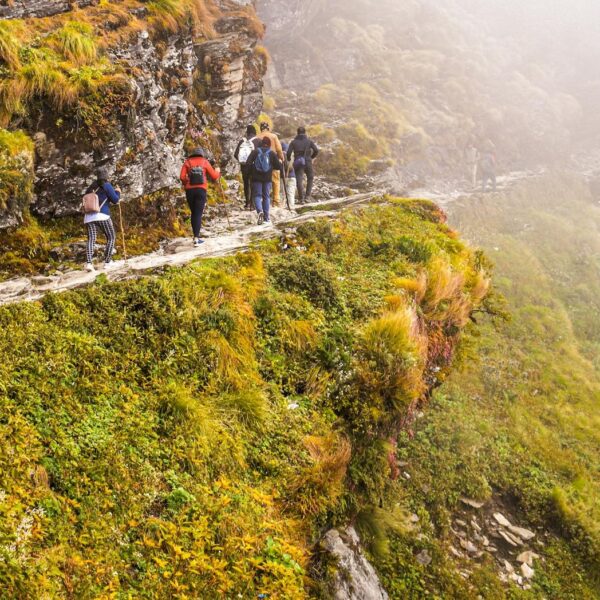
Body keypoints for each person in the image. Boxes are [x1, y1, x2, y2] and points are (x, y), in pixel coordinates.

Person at [180, 147, 221, 247]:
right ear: (201, 154)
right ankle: (196, 238)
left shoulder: (187, 162)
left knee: (194, 213)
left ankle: (195, 237)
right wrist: (218, 171)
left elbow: (182, 177)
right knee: (198, 213)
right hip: (201, 190)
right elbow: (215, 176)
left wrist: (186, 183)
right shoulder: (205, 162)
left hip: (190, 190)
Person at [83, 167, 121, 272]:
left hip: (89, 216)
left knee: (91, 239)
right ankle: (107, 262)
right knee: (111, 237)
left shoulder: (91, 187)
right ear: (106, 176)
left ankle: (89, 264)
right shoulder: (107, 186)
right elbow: (115, 200)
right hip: (102, 215)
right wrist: (118, 192)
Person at [246, 137, 282, 225]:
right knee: (266, 197)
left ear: (261, 143)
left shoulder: (255, 152)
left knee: (257, 196)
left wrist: (253, 170)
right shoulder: (272, 153)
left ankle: (259, 211)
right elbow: (278, 167)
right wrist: (278, 163)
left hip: (256, 178)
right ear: (269, 144)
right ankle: (266, 218)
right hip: (267, 178)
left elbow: (248, 163)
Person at [286, 127, 319, 204]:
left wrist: (289, 159)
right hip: (308, 161)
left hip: (299, 162)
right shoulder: (309, 141)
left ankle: (301, 199)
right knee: (310, 178)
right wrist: (311, 157)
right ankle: (307, 196)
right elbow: (316, 150)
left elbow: (288, 153)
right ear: (305, 132)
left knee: (299, 180)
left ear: (297, 133)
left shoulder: (293, 142)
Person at [258, 122, 284, 207]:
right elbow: (279, 149)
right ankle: (276, 201)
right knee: (275, 180)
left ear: (260, 128)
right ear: (268, 128)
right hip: (273, 161)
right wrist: (281, 158)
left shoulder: (257, 136)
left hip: (261, 163)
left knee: (262, 181)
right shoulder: (274, 136)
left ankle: (263, 199)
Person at [234, 125, 259, 210]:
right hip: (254, 166)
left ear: (247, 132)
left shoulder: (242, 141)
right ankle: (252, 204)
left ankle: (247, 203)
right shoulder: (258, 141)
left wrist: (242, 161)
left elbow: (235, 154)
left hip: (244, 166)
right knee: (253, 184)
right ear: (255, 132)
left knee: (246, 184)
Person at [281, 141, 297, 209]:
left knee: (282, 193)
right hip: (292, 176)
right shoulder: (292, 154)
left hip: (283, 177)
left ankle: (282, 207)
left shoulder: (280, 154)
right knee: (291, 193)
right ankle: (291, 207)